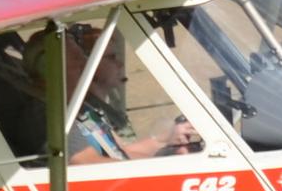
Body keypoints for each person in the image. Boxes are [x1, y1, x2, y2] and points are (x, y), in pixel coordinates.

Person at [22, 24, 204, 165]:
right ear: (49, 70)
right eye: (77, 61)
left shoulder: (80, 107)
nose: (86, 67)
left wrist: (167, 152)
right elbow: (88, 165)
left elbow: (121, 152)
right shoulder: (48, 113)